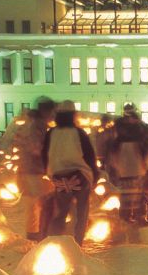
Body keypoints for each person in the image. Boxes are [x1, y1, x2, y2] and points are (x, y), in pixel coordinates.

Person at [42, 100, 98, 245]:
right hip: (80, 177)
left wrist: (49, 172)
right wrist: (95, 175)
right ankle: (77, 243)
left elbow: (45, 154)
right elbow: (89, 156)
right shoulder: (78, 133)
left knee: (60, 212)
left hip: (60, 178)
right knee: (81, 213)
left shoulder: (51, 133)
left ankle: (53, 241)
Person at [14, 98, 55, 241]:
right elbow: (36, 149)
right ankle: (37, 236)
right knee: (38, 204)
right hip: (34, 171)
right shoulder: (38, 126)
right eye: (52, 112)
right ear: (46, 111)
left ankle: (36, 234)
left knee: (36, 205)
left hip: (29, 169)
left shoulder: (32, 124)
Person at [111, 104, 148, 224]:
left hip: (124, 169)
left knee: (126, 194)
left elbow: (113, 154)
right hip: (138, 167)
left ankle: (125, 216)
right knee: (139, 193)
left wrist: (115, 167)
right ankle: (139, 216)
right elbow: (147, 151)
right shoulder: (140, 135)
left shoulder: (118, 138)